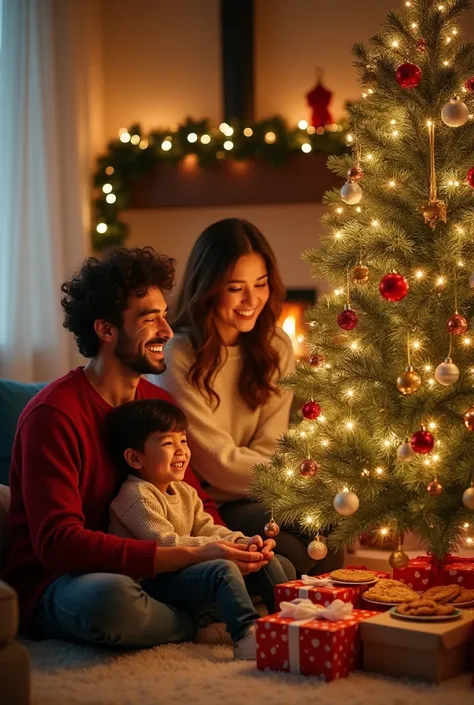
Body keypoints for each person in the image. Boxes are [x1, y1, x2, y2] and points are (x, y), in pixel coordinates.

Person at [0, 247, 275, 648]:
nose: (166, 330)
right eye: (150, 319)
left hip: (152, 573)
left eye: (164, 314)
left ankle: (197, 612)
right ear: (106, 330)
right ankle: (194, 626)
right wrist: (193, 557)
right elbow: (59, 544)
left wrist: (235, 544)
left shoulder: (158, 404)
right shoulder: (53, 415)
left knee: (275, 563)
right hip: (64, 581)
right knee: (111, 602)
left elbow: (196, 501)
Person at [159, 218, 342, 576]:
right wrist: (294, 477)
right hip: (208, 504)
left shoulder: (275, 345)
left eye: (260, 284)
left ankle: (335, 623)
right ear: (208, 288)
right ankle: (298, 624)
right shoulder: (177, 355)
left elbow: (273, 442)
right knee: (290, 550)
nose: (251, 300)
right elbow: (219, 465)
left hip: (261, 491)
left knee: (329, 522)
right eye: (235, 288)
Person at [107, 398, 288, 658]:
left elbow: (207, 528)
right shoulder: (135, 496)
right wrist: (222, 550)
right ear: (135, 458)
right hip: (154, 583)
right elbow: (164, 543)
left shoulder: (185, 491)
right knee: (222, 569)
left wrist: (244, 542)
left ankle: (291, 623)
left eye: (183, 441)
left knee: (268, 560)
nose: (181, 450)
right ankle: (246, 634)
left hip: (186, 572)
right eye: (168, 443)